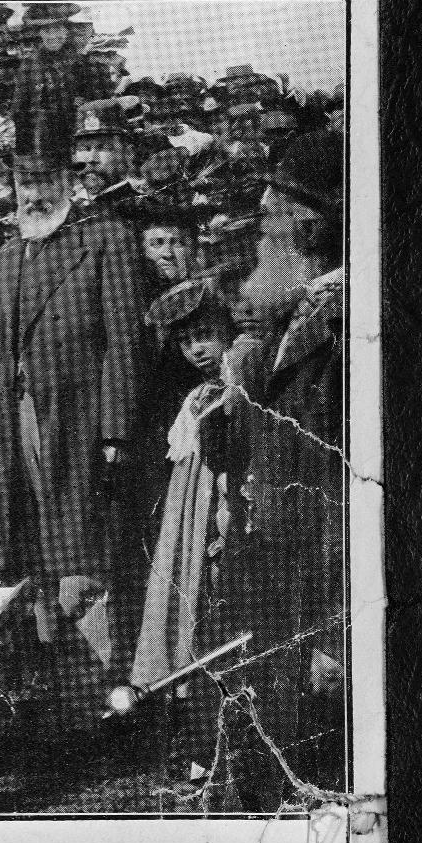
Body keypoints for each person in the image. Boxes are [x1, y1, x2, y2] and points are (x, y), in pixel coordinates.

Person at [0, 147, 149, 744]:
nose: (33, 193)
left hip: (76, 422)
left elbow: (124, 341)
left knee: (85, 555)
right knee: (28, 558)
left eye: (44, 179)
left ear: (69, 182)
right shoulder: (7, 255)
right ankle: (46, 703)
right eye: (24, 180)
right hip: (14, 426)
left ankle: (112, 694)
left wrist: (115, 429)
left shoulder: (107, 240)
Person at [216, 131, 346, 812]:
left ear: (308, 225)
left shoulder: (349, 324)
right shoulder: (289, 314)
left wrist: (335, 632)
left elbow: (346, 488)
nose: (260, 230)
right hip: (275, 561)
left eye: (273, 215)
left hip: (319, 580)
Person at [127, 277, 246, 793]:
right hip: (192, 528)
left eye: (205, 335)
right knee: (189, 620)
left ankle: (227, 753)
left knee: (223, 625)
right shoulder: (196, 398)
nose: (197, 348)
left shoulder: (238, 390)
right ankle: (199, 754)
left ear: (226, 330)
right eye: (186, 340)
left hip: (226, 522)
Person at [12, 3, 84, 169]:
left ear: (67, 31)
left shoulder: (78, 61)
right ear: (39, 33)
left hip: (76, 132)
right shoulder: (29, 64)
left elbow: (88, 95)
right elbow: (19, 107)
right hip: (44, 137)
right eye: (47, 31)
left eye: (58, 29)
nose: (53, 36)